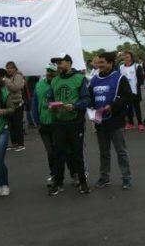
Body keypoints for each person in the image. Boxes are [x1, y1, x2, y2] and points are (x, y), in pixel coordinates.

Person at [47, 53, 91, 196]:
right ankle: (58, 183)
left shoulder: (79, 78)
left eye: (60, 63)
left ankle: (83, 184)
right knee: (58, 154)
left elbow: (86, 99)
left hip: (75, 122)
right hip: (59, 123)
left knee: (77, 154)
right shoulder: (54, 81)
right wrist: (51, 105)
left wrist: (75, 106)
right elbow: (50, 98)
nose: (58, 66)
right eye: (57, 64)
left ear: (69, 63)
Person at [90, 52, 134, 189]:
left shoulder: (120, 78)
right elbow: (90, 98)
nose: (99, 65)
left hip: (116, 121)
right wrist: (91, 112)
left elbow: (127, 97)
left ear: (110, 63)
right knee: (104, 152)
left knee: (121, 151)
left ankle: (127, 178)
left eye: (102, 62)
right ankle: (104, 177)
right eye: (98, 63)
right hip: (100, 122)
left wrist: (112, 106)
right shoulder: (94, 79)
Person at [32, 63, 59, 185]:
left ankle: (73, 174)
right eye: (48, 71)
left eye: (52, 71)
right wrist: (37, 122)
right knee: (50, 152)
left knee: (62, 151)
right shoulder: (39, 84)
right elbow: (34, 104)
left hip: (58, 123)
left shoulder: (59, 83)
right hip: (44, 124)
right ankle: (54, 175)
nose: (49, 73)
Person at [0, 62, 26, 151]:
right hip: (10, 105)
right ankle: (15, 144)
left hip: (17, 104)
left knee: (18, 125)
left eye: (11, 68)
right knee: (12, 126)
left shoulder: (18, 75)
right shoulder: (9, 77)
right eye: (7, 68)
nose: (9, 69)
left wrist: (6, 81)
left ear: (15, 68)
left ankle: (21, 144)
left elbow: (16, 87)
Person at [119, 51, 145, 131]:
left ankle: (140, 123)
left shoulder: (137, 66)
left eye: (128, 57)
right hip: (125, 92)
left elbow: (141, 78)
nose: (126, 58)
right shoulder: (121, 67)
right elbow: (119, 78)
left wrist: (136, 85)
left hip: (134, 91)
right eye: (125, 57)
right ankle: (131, 123)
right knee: (128, 108)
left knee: (137, 108)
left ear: (131, 57)